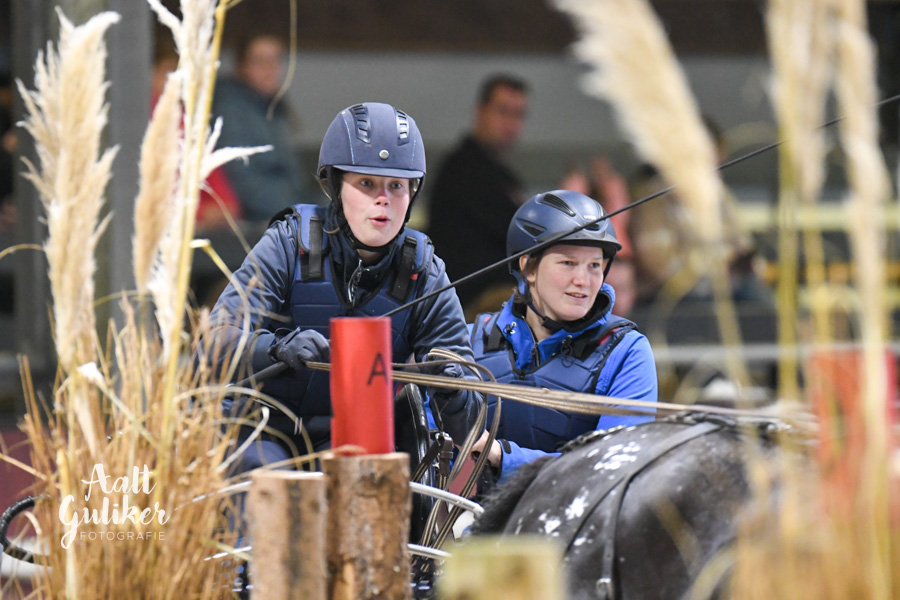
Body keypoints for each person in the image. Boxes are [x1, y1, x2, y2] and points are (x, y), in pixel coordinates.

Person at [202, 102, 482, 474]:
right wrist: (276, 348)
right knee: (271, 484)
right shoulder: (288, 242)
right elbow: (215, 342)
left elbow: (471, 425)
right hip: (263, 432)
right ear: (335, 184)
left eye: (397, 186)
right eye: (367, 183)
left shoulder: (425, 270)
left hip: (355, 444)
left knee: (367, 484)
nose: (383, 199)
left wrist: (454, 391)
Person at [467, 189, 658, 486]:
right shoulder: (469, 341)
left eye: (594, 265)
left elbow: (615, 469)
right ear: (528, 267)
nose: (582, 281)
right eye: (568, 263)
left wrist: (506, 460)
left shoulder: (627, 352)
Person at [426, 74, 529, 313]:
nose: (511, 123)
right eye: (503, 111)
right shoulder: (463, 169)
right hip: (472, 300)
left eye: (519, 114)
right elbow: (522, 234)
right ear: (480, 112)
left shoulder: (500, 175)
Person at [211, 32, 313, 222]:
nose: (270, 68)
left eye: (276, 60)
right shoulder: (230, 110)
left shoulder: (271, 106)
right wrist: (302, 213)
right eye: (260, 61)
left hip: (288, 210)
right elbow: (243, 182)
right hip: (257, 222)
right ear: (242, 67)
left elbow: (293, 176)